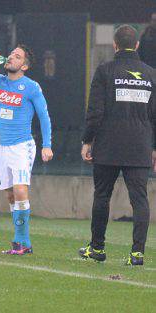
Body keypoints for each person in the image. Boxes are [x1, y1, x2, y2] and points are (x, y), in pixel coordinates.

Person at [79, 25, 156, 266]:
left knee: (102, 196)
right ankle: (137, 253)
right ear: (137, 45)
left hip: (108, 145)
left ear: (114, 45)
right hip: (139, 146)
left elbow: (95, 112)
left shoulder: (104, 71)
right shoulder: (151, 74)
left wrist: (87, 140)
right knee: (140, 199)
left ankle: (97, 248)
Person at [0, 44, 53, 255]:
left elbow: (44, 116)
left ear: (24, 66)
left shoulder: (31, 87)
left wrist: (47, 145)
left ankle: (22, 241)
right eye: (11, 55)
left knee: (20, 189)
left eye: (17, 57)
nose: (10, 58)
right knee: (10, 195)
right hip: (4, 147)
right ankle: (22, 242)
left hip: (22, 145)